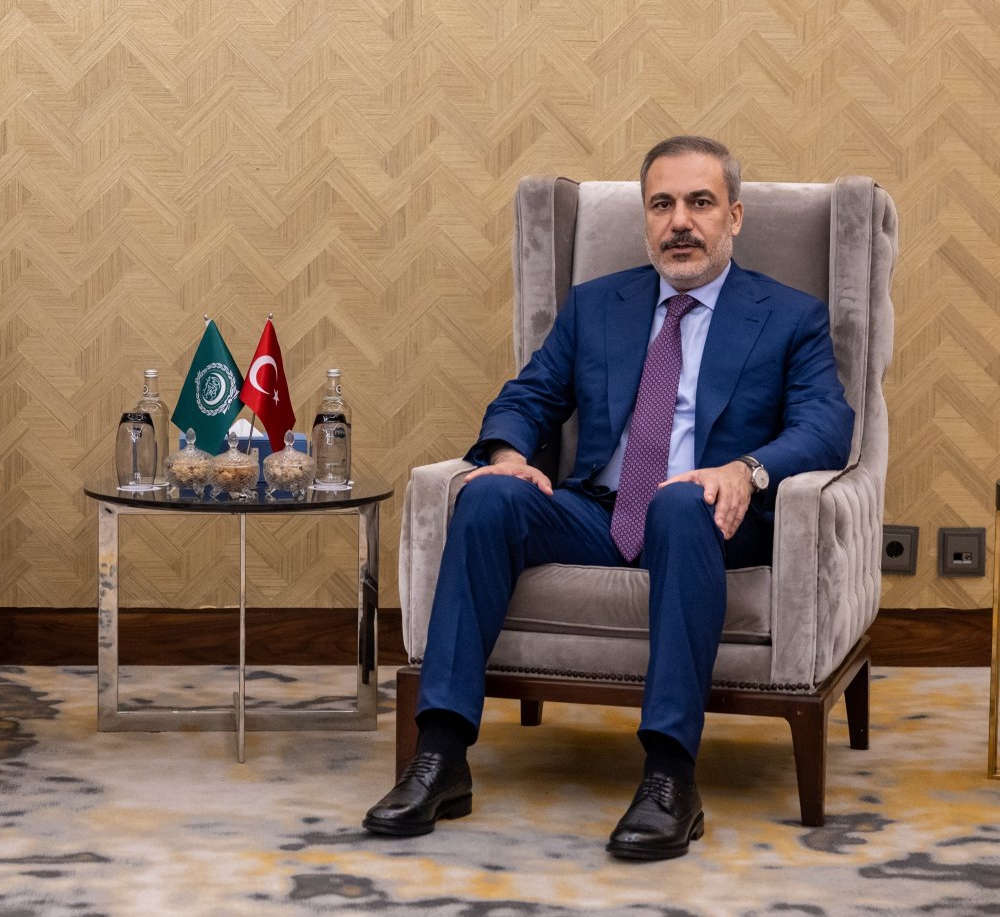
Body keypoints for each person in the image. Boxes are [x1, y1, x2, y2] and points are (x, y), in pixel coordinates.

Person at [363, 136, 854, 860]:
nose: (679, 221)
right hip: (602, 509)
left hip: (712, 516)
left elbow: (825, 425)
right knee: (489, 497)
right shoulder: (598, 305)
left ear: (735, 217)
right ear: (646, 218)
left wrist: (742, 471)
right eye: (662, 204)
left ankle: (669, 777)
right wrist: (505, 456)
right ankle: (441, 758)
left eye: (699, 203)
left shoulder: (789, 316)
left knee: (681, 505)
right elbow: (530, 396)